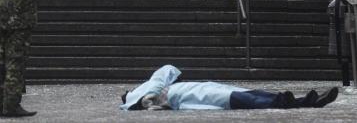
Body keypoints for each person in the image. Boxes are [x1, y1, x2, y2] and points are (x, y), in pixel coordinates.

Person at [120, 65, 339, 111]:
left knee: (248, 96)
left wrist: (150, 96)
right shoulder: (134, 97)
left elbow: (165, 72)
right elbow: (166, 72)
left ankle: (305, 100)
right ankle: (305, 101)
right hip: (195, 95)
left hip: (196, 91)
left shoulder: (144, 90)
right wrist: (148, 99)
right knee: (247, 98)